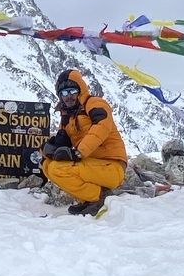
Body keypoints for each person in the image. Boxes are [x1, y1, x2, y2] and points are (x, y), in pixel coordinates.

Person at [41, 68, 127, 216]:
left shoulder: (94, 103)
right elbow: (61, 142)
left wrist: (79, 152)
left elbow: (101, 126)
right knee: (48, 166)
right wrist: (47, 151)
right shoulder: (67, 117)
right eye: (64, 93)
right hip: (92, 165)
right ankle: (88, 199)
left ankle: (99, 197)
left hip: (112, 166)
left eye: (72, 91)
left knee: (58, 169)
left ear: (80, 89)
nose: (68, 97)